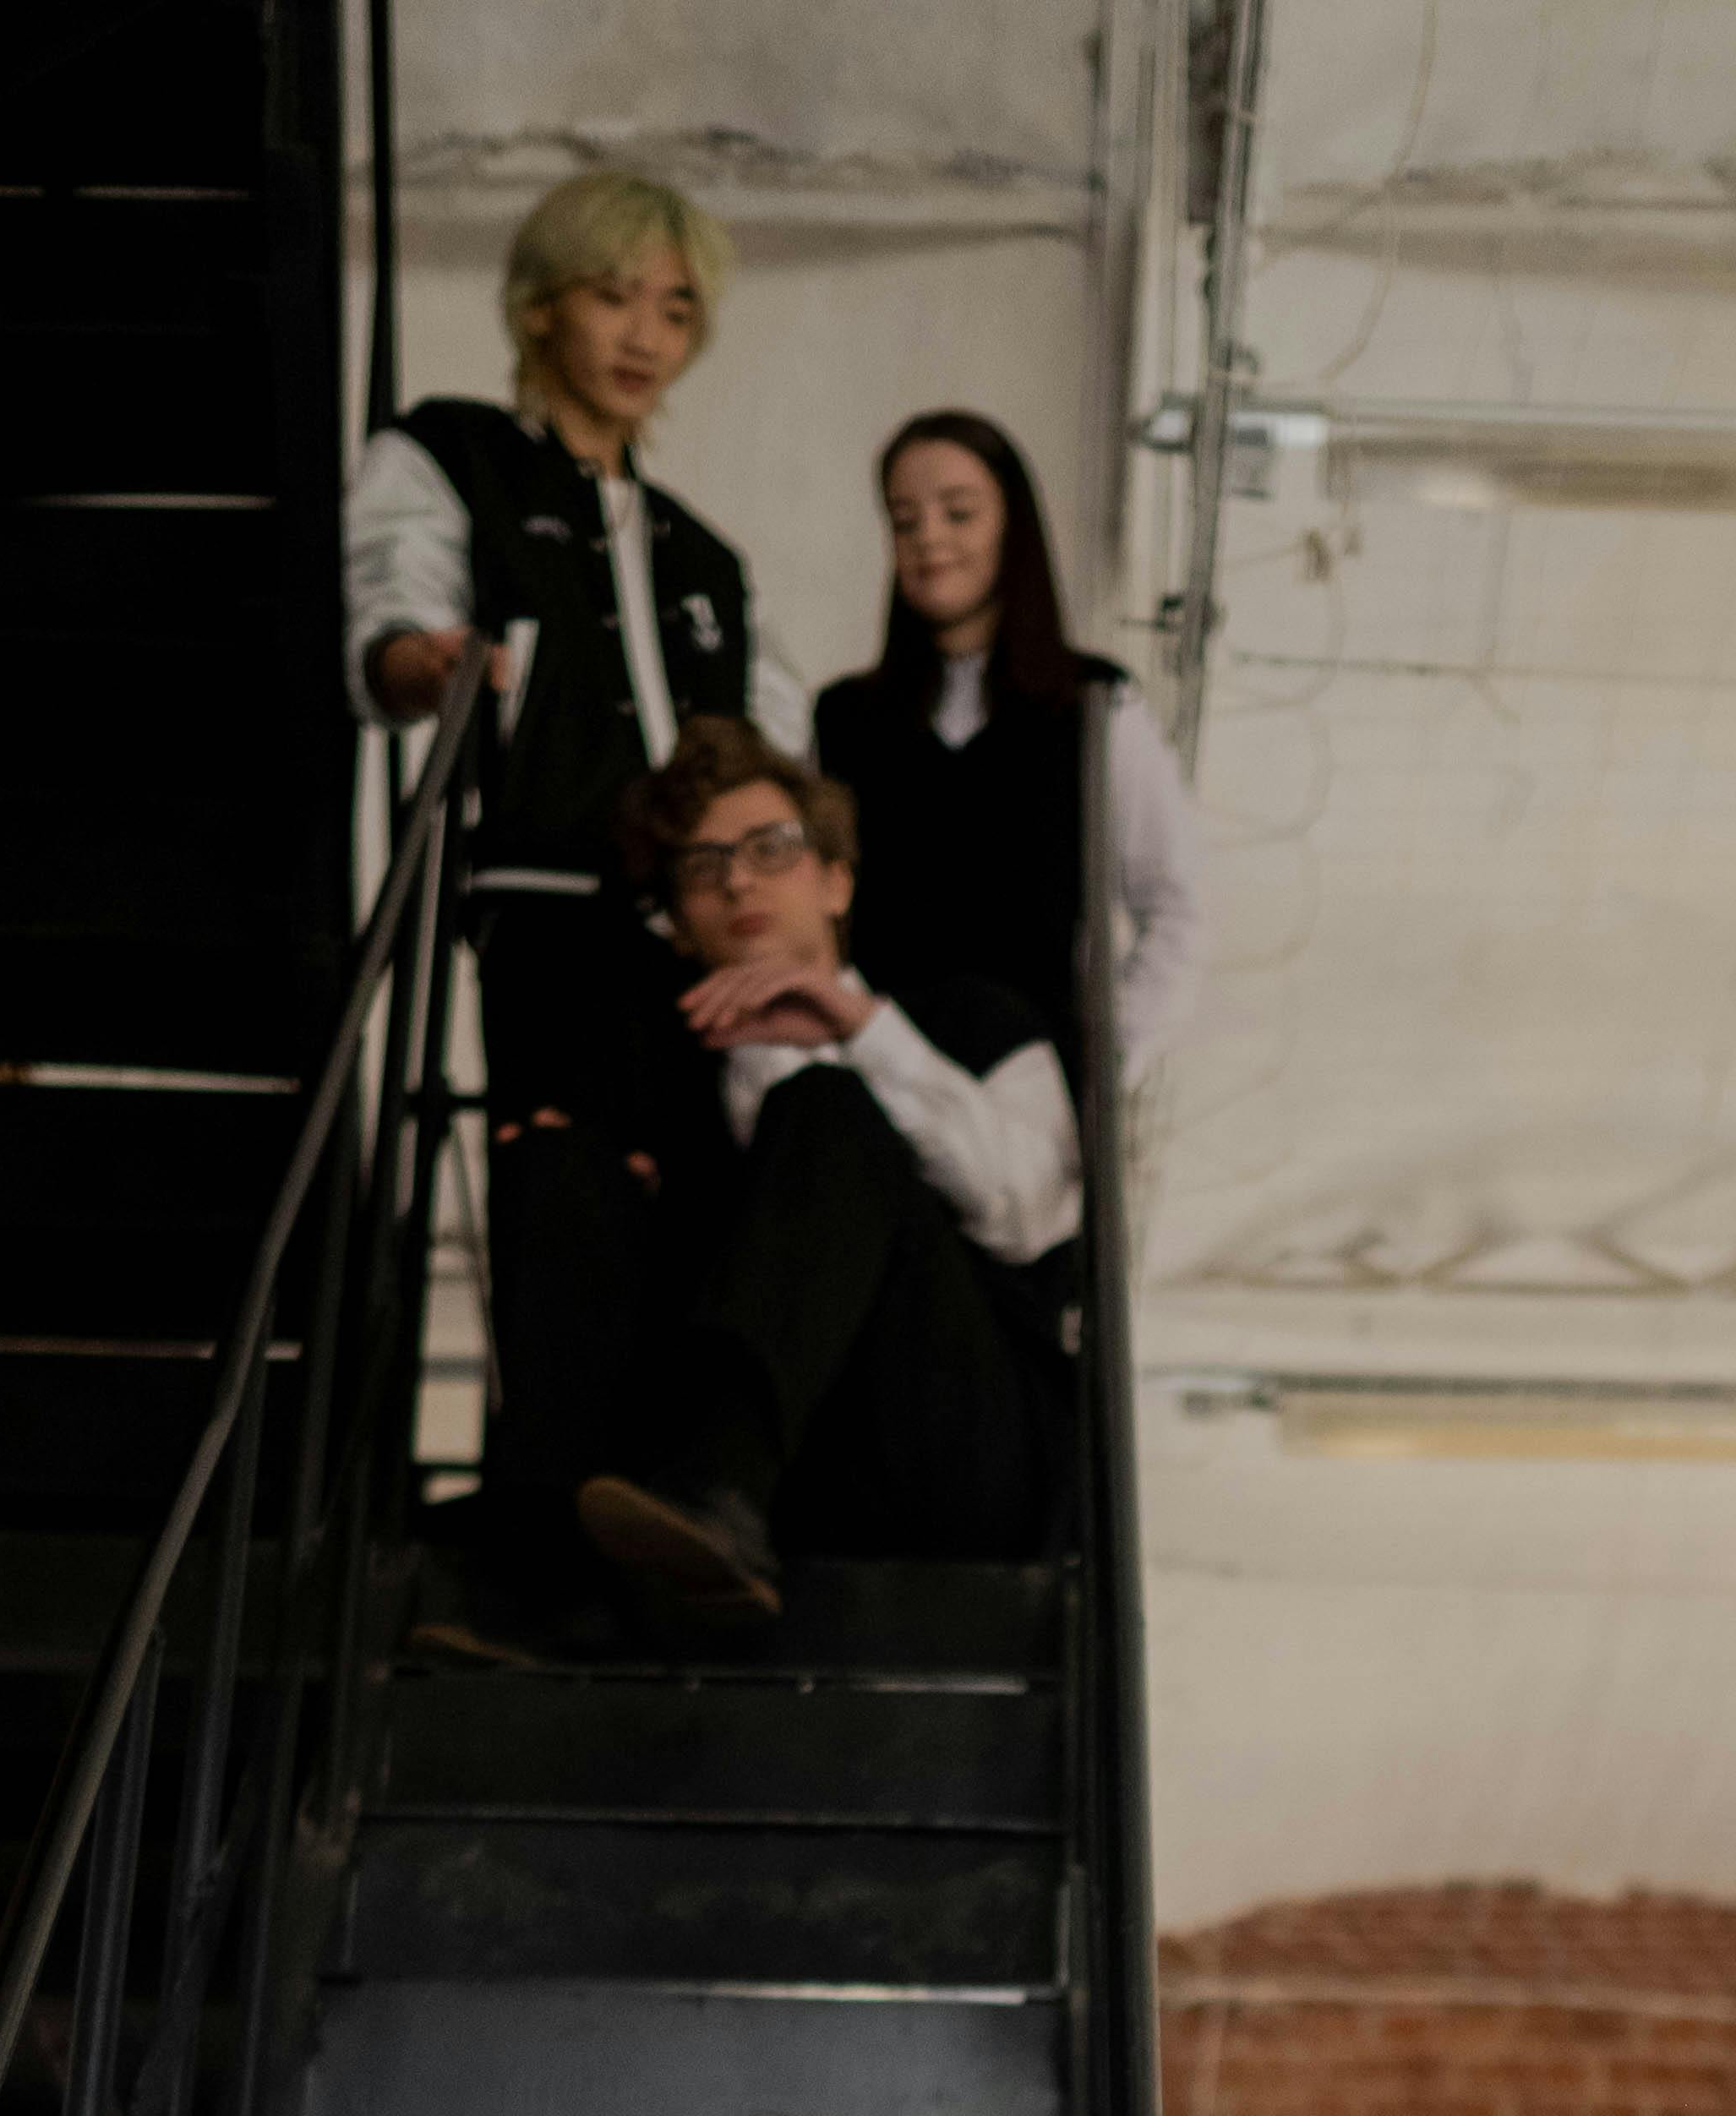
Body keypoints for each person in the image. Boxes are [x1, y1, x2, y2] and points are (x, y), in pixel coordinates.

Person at [479, 717, 1081, 1618]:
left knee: (826, 1109)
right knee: (563, 1164)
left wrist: (858, 1032)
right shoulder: (666, 1079)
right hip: (797, 1487)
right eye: (703, 865)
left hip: (958, 1454)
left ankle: (723, 1481)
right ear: (679, 926)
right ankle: (543, 1569)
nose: (739, 879)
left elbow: (1032, 1219)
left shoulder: (976, 1021)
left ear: (837, 880)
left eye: (772, 848)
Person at [342, 171, 768, 1078]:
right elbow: (389, 623)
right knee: (564, 1175)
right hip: (545, 911)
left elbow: (762, 738)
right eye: (614, 298)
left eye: (676, 312)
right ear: (540, 308)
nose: (644, 337)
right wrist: (428, 663)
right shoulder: (455, 455)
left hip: (702, 933)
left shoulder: (704, 557)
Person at [812, 411, 1203, 1077]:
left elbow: (1176, 903)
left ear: (1012, 528)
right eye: (905, 521)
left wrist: (1107, 1064)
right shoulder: (843, 718)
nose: (928, 537)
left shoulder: (1096, 703)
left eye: (957, 513)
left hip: (1033, 1089)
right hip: (881, 1079)